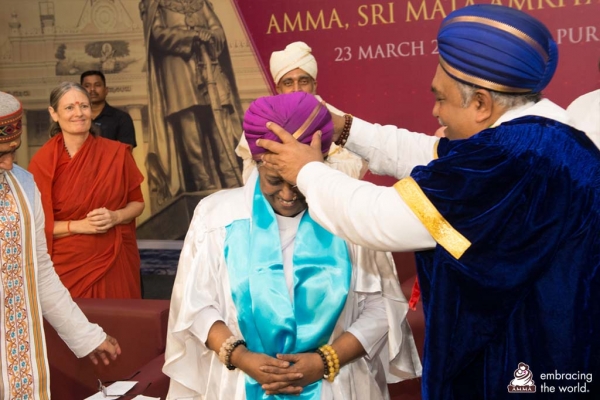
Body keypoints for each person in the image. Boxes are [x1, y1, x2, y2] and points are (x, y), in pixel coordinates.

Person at [258, 5, 600, 399]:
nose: (435, 111)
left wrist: (305, 170)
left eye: (440, 98)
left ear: (481, 104)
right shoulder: (538, 133)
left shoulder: (510, 160)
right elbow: (432, 154)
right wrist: (341, 127)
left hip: (527, 363)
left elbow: (381, 219)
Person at [163, 92, 421, 399]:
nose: (288, 194)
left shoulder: (350, 214)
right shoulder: (217, 216)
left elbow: (382, 307)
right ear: (257, 162)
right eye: (275, 180)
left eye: (298, 180)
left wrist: (325, 360)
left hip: (335, 385)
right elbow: (195, 305)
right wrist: (242, 357)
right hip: (240, 385)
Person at [0, 91, 121, 399]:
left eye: (13, 151)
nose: (9, 162)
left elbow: (38, 270)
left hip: (16, 354)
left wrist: (86, 335)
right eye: (0, 153)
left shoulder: (24, 185)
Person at [28, 82, 145, 299]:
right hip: (66, 265)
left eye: (84, 106)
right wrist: (78, 226)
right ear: (54, 114)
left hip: (114, 259)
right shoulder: (43, 162)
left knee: (119, 324)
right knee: (71, 329)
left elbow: (137, 203)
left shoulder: (116, 153)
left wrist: (115, 216)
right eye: (69, 108)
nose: (78, 113)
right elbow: (36, 226)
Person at [139, 0, 245, 213]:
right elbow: (158, 35)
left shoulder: (200, 3)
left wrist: (209, 35)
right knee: (192, 143)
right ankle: (204, 196)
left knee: (222, 134)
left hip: (210, 73)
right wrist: (193, 35)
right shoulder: (156, 4)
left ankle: (235, 187)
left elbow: (218, 31)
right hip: (179, 81)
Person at [236, 41, 367, 183]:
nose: (296, 89)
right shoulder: (263, 121)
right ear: (278, 89)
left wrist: (311, 165)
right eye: (288, 83)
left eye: (303, 81)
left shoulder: (338, 121)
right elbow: (251, 177)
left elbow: (355, 172)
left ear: (314, 85)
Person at [80, 70, 137, 148]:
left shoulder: (122, 118)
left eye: (97, 85)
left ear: (106, 90)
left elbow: (125, 153)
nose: (92, 89)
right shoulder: (75, 118)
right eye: (87, 86)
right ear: (80, 92)